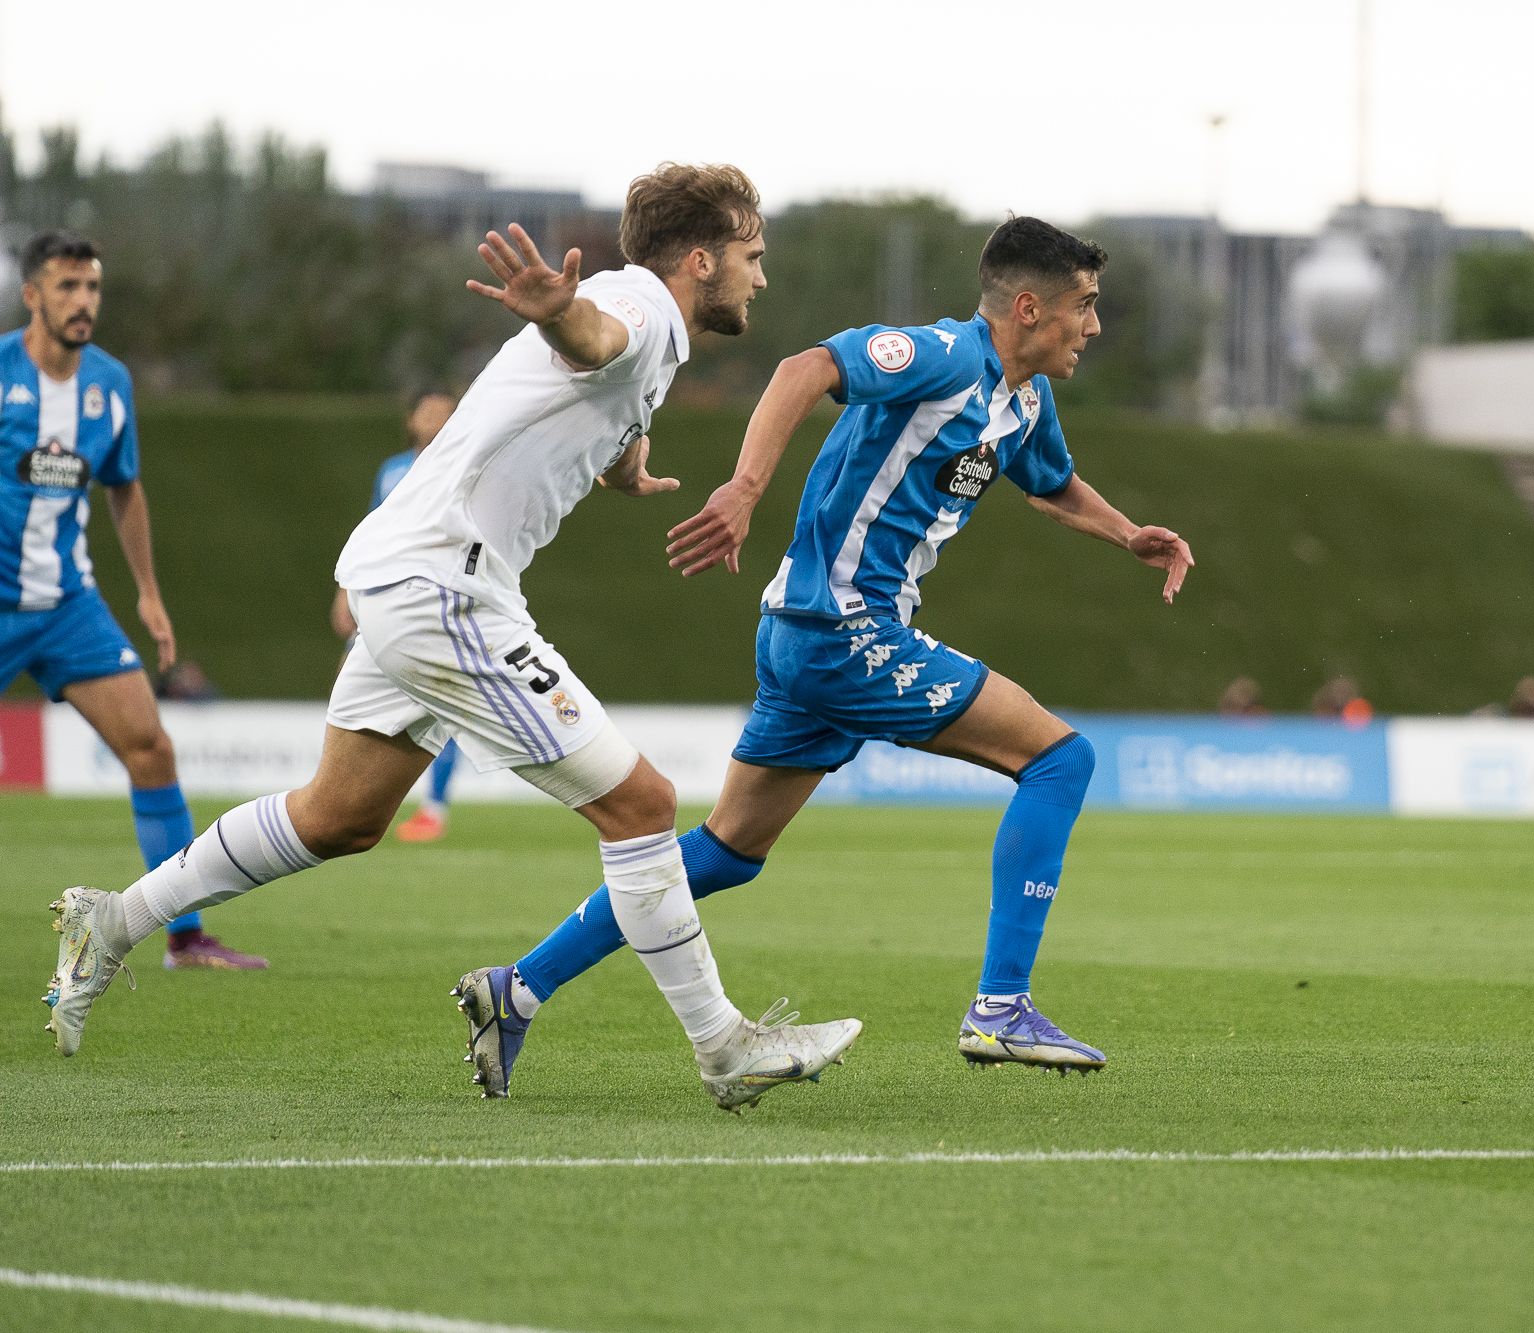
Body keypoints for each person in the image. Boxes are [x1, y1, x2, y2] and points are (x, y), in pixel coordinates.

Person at [42, 164, 861, 1113]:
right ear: (699, 259)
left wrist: (623, 463)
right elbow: (594, 338)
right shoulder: (630, 302)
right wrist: (559, 310)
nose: (763, 277)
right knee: (643, 805)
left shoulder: (655, 337)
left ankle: (113, 920)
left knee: (339, 815)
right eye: (753, 257)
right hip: (446, 589)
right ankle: (724, 1046)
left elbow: (592, 383)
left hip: (409, 575)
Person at [464, 215, 1193, 1096]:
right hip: (847, 629)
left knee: (728, 851)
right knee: (1059, 759)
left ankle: (518, 988)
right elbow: (803, 368)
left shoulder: (1022, 400)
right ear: (1030, 307)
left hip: (808, 637)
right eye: (1085, 305)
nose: (1094, 325)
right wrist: (741, 488)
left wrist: (1128, 535)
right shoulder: (944, 357)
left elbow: (1050, 482)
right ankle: (1000, 1006)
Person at [4, 230, 264, 974]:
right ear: (32, 295)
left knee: (151, 749)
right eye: (66, 287)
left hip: (67, 606)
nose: (84, 302)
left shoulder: (109, 383)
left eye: (92, 288)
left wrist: (149, 592)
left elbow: (123, 486)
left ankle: (185, 938)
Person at [331, 388, 463, 843]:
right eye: (429, 412)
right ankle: (343, 791)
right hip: (378, 593)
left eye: (447, 413)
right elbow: (371, 530)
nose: (437, 420)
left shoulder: (460, 465)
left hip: (431, 600)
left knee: (442, 704)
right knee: (348, 684)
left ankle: (434, 806)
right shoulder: (392, 470)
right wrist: (344, 588)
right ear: (411, 420)